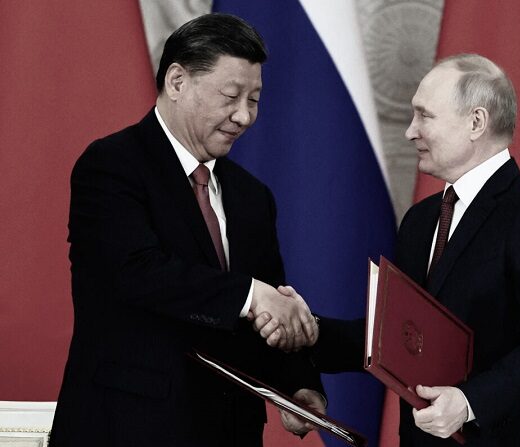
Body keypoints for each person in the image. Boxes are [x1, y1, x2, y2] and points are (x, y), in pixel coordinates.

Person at [258, 53, 520, 446]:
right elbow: (400, 340)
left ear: (476, 123)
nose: (410, 131)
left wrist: (468, 403)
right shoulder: (421, 219)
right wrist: (308, 330)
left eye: (424, 116)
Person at [50, 13, 325, 447]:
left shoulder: (252, 196)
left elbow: (268, 308)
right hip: (127, 429)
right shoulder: (111, 165)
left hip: (230, 432)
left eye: (255, 99)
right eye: (231, 96)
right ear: (177, 81)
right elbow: (137, 273)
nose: (244, 115)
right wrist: (254, 296)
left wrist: (299, 386)